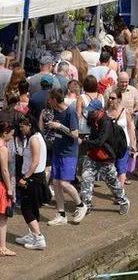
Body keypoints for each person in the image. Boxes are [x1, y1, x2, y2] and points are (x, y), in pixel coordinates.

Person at [78, 101, 130, 217]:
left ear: (100, 111)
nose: (90, 113)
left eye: (92, 111)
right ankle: (86, 205)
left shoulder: (106, 123)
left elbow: (100, 141)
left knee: (112, 181)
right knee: (86, 177)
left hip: (105, 156)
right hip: (93, 155)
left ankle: (123, 201)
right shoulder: (92, 119)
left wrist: (84, 142)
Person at [44, 89, 86, 226]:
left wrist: (60, 126)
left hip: (68, 153)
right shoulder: (55, 111)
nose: (48, 101)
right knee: (56, 183)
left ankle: (80, 205)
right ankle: (61, 214)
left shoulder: (70, 112)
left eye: (50, 99)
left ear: (55, 100)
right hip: (58, 151)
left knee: (64, 183)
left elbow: (75, 134)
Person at [15, 116, 48, 250]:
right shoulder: (37, 136)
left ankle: (38, 237)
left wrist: (25, 178)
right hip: (35, 177)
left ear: (29, 125)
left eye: (22, 126)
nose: (21, 129)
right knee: (33, 207)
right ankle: (33, 234)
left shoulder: (34, 139)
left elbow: (35, 162)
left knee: (26, 207)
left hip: (33, 178)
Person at [106, 91, 136, 187]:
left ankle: (120, 192)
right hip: (110, 145)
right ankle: (116, 189)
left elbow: (131, 128)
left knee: (121, 168)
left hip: (123, 144)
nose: (110, 100)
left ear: (119, 99)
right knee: (111, 168)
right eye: (109, 98)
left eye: (113, 98)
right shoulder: (106, 112)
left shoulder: (124, 111)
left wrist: (133, 143)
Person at [0, 122, 14, 256]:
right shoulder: (2, 148)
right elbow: (4, 170)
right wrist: (9, 188)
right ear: (4, 133)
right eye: (11, 134)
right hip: (0, 185)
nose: (12, 137)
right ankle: (2, 248)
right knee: (3, 217)